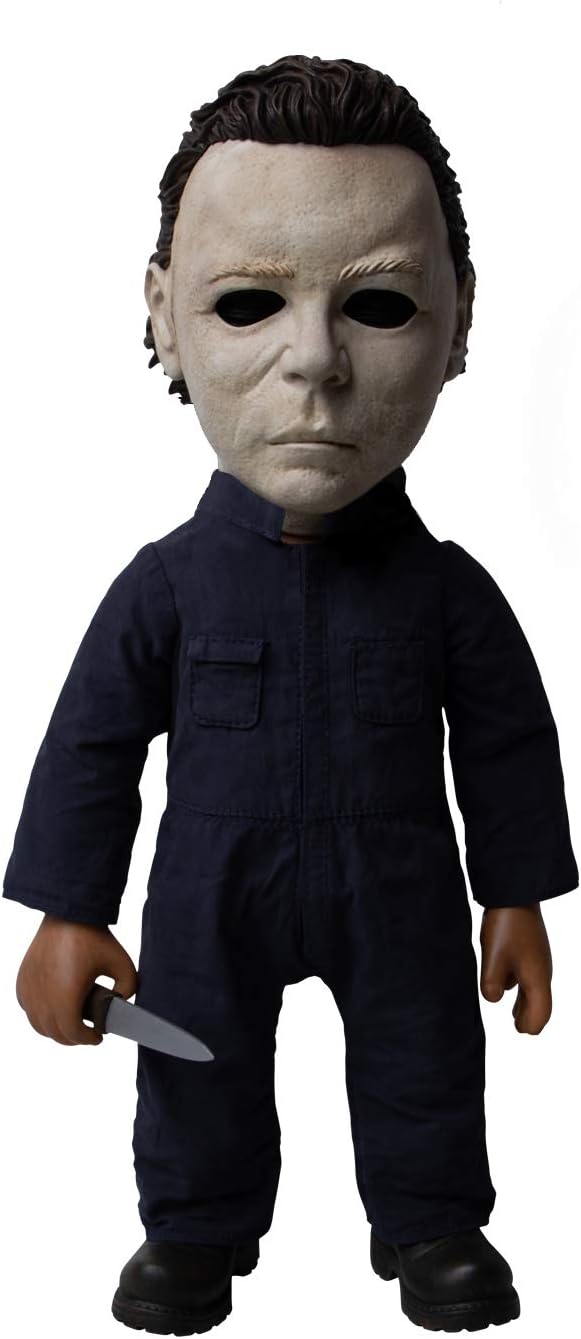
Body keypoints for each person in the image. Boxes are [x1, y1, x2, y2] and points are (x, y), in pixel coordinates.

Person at [4, 53, 578, 1335]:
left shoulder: (446, 594)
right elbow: (90, 746)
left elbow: (505, 743)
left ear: (459, 319)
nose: (313, 362)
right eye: (248, 301)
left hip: (402, 883)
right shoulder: (164, 588)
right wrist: (64, 911)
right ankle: (191, 1230)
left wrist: (517, 894)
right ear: (164, 313)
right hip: (210, 888)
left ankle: (433, 1222)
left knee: (423, 1051)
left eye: (377, 304)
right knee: (190, 1058)